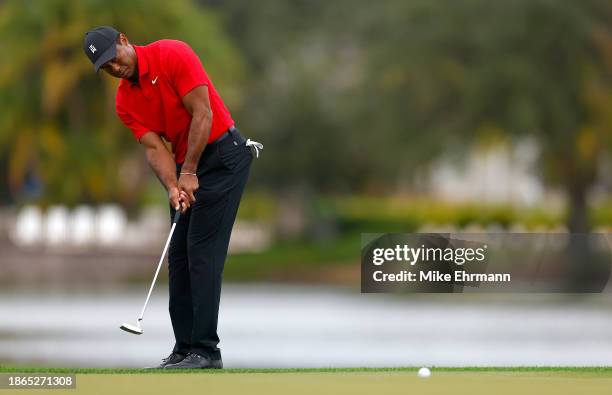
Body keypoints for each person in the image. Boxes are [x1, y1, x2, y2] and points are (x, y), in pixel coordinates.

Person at [83, 26, 262, 369]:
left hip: (223, 157)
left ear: (124, 40)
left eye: (114, 59)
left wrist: (190, 171)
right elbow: (154, 148)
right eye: (105, 67)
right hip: (183, 167)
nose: (114, 68)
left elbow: (203, 114)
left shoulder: (172, 54)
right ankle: (184, 349)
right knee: (178, 255)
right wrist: (172, 186)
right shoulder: (125, 101)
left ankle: (207, 351)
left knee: (201, 252)